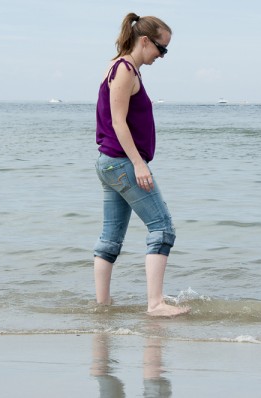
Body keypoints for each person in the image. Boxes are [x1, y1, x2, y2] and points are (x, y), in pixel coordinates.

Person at [93, 12, 188, 316]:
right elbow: (119, 123)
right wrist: (139, 164)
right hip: (121, 163)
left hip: (111, 163)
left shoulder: (123, 66)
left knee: (110, 238)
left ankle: (103, 306)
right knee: (162, 228)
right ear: (145, 40)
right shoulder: (124, 70)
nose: (162, 56)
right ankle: (156, 304)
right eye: (162, 49)